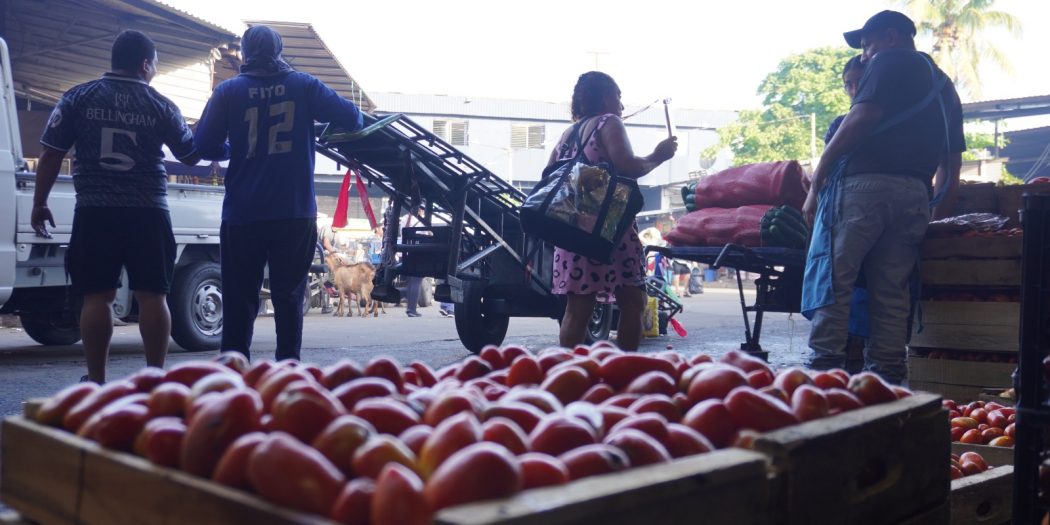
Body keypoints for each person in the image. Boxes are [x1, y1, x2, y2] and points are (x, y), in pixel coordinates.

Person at [801, 11, 965, 384]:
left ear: (891, 37)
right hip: (914, 196)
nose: (864, 55)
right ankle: (886, 377)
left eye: (867, 45)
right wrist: (938, 214)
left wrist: (817, 178)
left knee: (835, 281)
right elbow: (951, 164)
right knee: (892, 291)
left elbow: (860, 118)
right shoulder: (944, 86)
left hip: (864, 191)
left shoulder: (889, 60)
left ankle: (824, 373)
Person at [31, 30, 201, 383]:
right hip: (148, 211)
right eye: (155, 65)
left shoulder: (78, 97)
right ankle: (155, 379)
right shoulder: (162, 105)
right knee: (153, 296)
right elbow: (189, 154)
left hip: (95, 211)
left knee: (97, 296)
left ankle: (96, 379)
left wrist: (40, 202)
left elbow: (51, 153)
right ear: (145, 64)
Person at [194, 25, 364, 361]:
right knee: (289, 297)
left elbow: (204, 145)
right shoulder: (304, 85)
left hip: (242, 213)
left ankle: (233, 372)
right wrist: (311, 128)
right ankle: (288, 373)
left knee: (239, 297)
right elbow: (354, 119)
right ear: (279, 51)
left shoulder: (228, 92)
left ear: (245, 54)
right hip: (294, 212)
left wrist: (232, 148)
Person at [551, 71, 678, 351]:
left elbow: (549, 175)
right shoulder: (609, 122)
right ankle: (623, 370)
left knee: (577, 308)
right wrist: (659, 155)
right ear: (604, 98)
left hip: (572, 231)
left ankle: (566, 370)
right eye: (618, 97)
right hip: (610, 229)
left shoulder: (568, 135)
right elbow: (627, 166)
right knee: (633, 301)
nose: (621, 105)